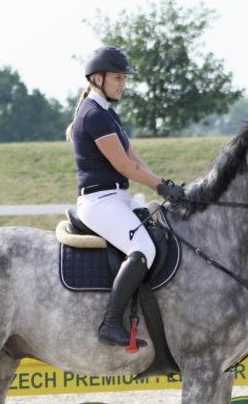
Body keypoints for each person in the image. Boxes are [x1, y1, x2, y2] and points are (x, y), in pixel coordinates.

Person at [67, 46, 185, 348]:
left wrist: (163, 183)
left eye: (124, 78)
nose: (123, 84)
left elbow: (133, 158)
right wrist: (159, 187)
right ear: (97, 79)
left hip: (117, 198)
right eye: (118, 78)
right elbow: (123, 166)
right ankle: (110, 323)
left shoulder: (108, 113)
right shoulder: (94, 115)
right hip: (99, 202)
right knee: (143, 247)